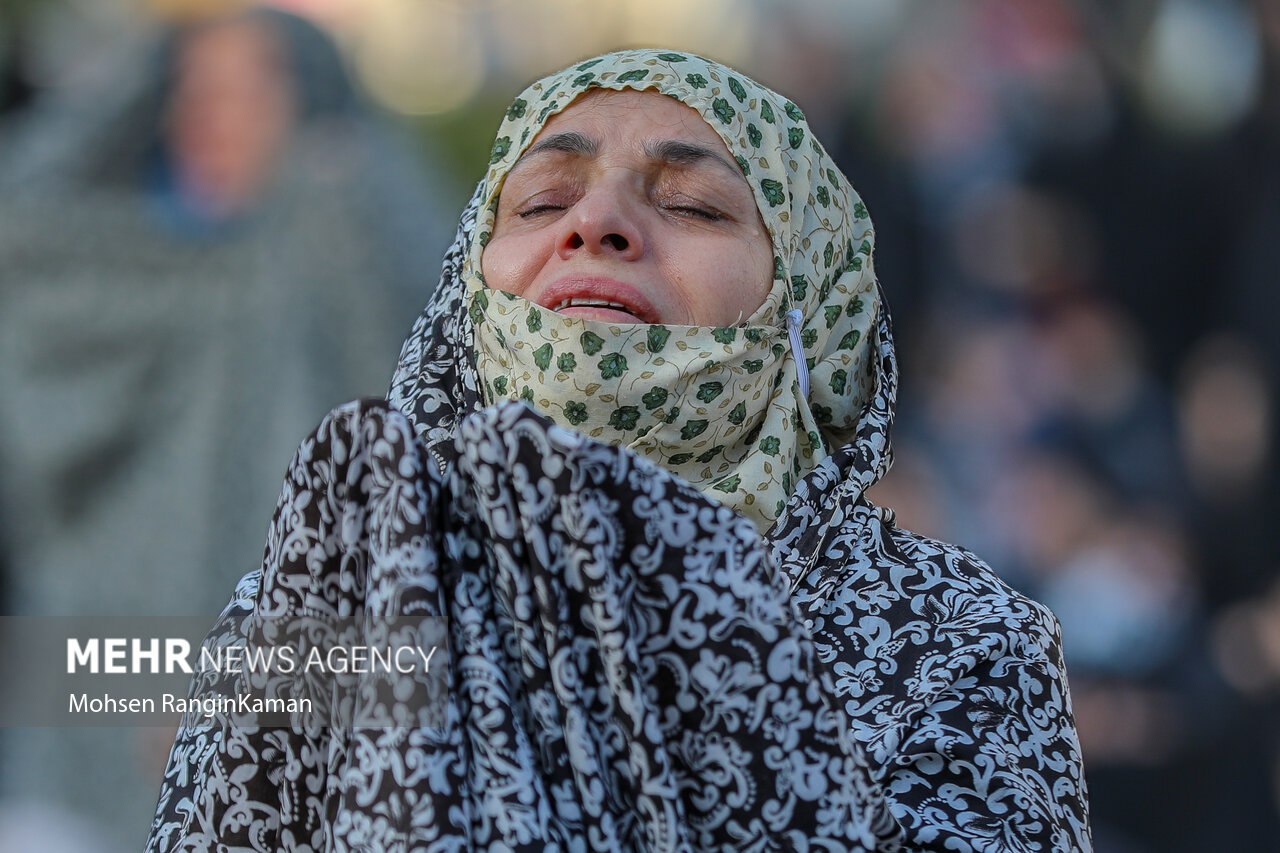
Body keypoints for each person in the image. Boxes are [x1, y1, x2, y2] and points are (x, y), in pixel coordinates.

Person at [146, 49, 1092, 850]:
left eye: (695, 205)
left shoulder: (957, 644)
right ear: (468, 294)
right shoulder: (326, 606)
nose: (593, 225)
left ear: (812, 310)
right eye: (542, 198)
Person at [0, 7, 450, 850]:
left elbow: (411, 465)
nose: (215, 114)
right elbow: (19, 209)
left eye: (254, 88)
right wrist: (143, 76)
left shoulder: (352, 253)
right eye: (193, 89)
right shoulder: (108, 268)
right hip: (79, 735)